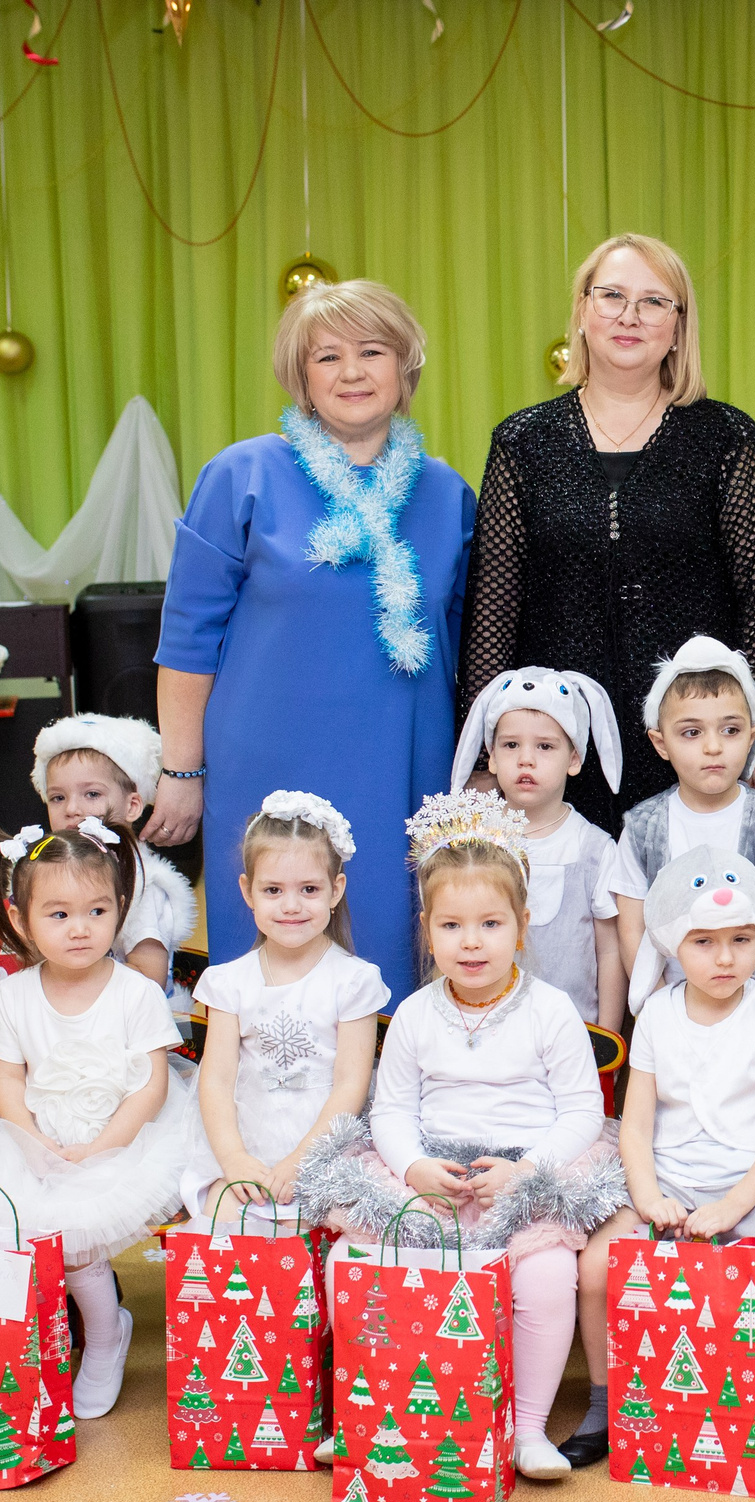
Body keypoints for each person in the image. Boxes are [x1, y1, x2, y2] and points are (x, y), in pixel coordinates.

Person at [153, 279, 475, 1002]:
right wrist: (181, 770)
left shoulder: (447, 491)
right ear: (301, 377)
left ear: (406, 367)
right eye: (327, 357)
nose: (352, 372)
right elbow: (187, 635)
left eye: (372, 351)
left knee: (393, 943)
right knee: (271, 938)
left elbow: (463, 641)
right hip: (265, 757)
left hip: (402, 762)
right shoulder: (240, 475)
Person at [293, 792, 618, 1482]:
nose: (472, 942)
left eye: (491, 923)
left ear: (522, 927)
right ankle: (366, 1408)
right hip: (433, 1171)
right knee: (354, 1257)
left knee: (548, 1272)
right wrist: (411, 1167)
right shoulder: (414, 1013)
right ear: (427, 930)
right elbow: (391, 1110)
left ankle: (526, 1426)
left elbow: (582, 1111)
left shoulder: (551, 1010)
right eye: (453, 925)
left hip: (525, 1170)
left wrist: (527, 1169)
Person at [461, 233, 755, 832]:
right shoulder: (522, 442)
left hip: (694, 747)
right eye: (611, 295)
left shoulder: (726, 439)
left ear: (678, 326)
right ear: (583, 311)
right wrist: (486, 758)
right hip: (553, 750)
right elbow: (494, 607)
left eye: (653, 302)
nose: (629, 316)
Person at [563, 848, 755, 1494]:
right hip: (673, 1177)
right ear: (671, 944)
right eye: (705, 941)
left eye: (741, 940)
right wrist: (651, 1195)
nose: (725, 958)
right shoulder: (657, 1013)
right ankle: (603, 1405)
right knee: (597, 1266)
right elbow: (634, 1125)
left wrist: (736, 1205)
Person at [0, 818, 198, 1418]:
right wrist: (30, 1140)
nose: (80, 929)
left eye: (97, 910)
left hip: (129, 1130)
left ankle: (104, 1343)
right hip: (40, 1134)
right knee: (18, 1229)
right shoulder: (16, 994)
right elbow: (5, 1075)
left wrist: (105, 1146)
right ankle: (32, 1348)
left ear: (119, 909)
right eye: (58, 915)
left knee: (80, 1239)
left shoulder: (134, 991)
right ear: (22, 918)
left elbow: (153, 1082)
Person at [181, 793, 388, 1219]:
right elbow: (216, 1080)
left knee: (337, 1223)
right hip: (245, 1141)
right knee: (226, 1219)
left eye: (309, 889)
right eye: (273, 890)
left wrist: (302, 1161)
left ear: (336, 889)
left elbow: (351, 1084)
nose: (291, 905)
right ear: (248, 891)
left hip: (327, 1147)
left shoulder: (354, 981)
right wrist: (234, 1159)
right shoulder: (228, 982)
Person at [606, 637, 755, 1006]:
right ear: (661, 744)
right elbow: (631, 926)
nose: (713, 747)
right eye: (692, 732)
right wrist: (663, 1007)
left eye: (730, 730)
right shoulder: (643, 828)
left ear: (751, 737)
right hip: (674, 1008)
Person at [452, 667, 627, 1030]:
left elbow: (609, 952)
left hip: (570, 1042)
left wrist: (608, 1041)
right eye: (511, 745)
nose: (525, 759)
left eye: (545, 746)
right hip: (484, 1035)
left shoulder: (594, 850)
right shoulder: (472, 840)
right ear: (492, 756)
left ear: (574, 759)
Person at [29, 714, 195, 1004]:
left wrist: (68, 982)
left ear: (132, 806)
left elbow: (147, 977)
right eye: (57, 797)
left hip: (128, 1021)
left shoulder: (143, 885)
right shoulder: (48, 871)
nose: (71, 809)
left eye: (91, 794)